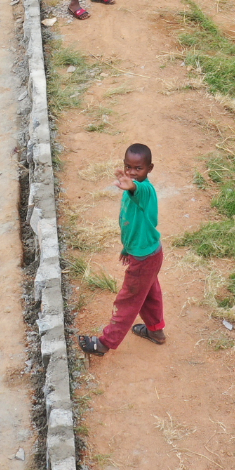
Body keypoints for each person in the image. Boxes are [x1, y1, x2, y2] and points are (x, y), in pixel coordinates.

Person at [77, 143, 163, 356]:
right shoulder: (130, 189)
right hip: (146, 253)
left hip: (145, 259)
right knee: (149, 295)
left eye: (138, 168)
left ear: (150, 169)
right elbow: (133, 225)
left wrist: (133, 185)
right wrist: (127, 249)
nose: (132, 173)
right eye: (128, 167)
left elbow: (140, 190)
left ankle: (105, 343)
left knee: (128, 300)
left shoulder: (145, 191)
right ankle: (156, 332)